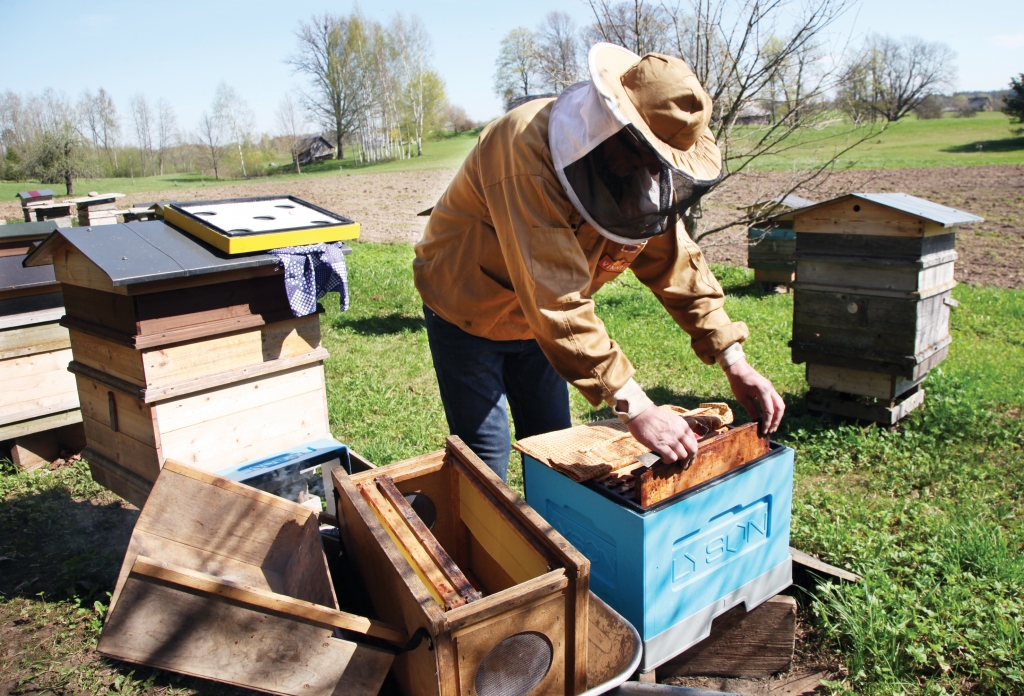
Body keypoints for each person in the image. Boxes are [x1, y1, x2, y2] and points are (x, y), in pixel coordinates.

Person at [414, 43, 785, 481]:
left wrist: (733, 358)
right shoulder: (522, 149)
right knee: (484, 461)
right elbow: (557, 296)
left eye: (661, 161)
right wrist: (636, 406)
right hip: (465, 310)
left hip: (539, 329)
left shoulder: (642, 170)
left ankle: (548, 548)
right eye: (641, 150)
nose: (649, 171)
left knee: (553, 450)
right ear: (610, 120)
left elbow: (677, 264)